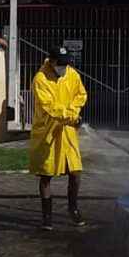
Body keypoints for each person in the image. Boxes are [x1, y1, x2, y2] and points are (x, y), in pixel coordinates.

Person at [29, 46, 88, 231]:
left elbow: (81, 94)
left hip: (68, 132)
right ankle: (47, 217)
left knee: (76, 172)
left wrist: (73, 112)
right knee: (46, 175)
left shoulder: (72, 74)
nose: (64, 67)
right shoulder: (40, 79)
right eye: (60, 63)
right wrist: (70, 116)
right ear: (51, 61)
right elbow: (49, 107)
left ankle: (73, 209)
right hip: (47, 132)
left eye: (66, 63)